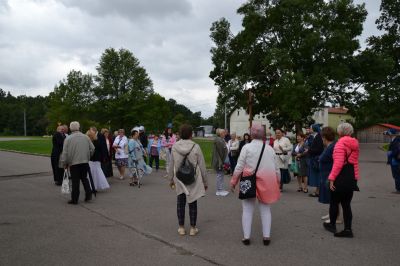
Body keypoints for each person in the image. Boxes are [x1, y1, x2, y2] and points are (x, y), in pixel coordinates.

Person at [230, 124, 281, 246]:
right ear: (263, 134)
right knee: (265, 210)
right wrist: (277, 182)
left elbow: (239, 166)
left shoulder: (246, 148)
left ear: (251, 134)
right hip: (266, 182)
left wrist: (233, 181)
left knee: (247, 210)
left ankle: (246, 237)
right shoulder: (269, 149)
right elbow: (276, 169)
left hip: (249, 182)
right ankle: (266, 237)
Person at [169, 124, 208, 236]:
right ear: (191, 134)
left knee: (180, 203)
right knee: (193, 202)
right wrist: (205, 182)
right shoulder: (196, 147)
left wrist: (170, 178)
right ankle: (192, 228)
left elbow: (171, 164)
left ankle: (181, 228)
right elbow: (202, 166)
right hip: (193, 178)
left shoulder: (175, 146)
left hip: (179, 178)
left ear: (180, 134)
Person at [324, 123, 359, 238]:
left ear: (340, 132)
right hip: (351, 176)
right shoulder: (355, 144)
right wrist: (355, 178)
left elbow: (338, 164)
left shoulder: (340, 144)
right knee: (346, 204)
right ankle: (348, 229)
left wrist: (332, 178)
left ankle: (332, 225)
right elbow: (354, 163)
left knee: (334, 202)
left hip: (340, 176)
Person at [60, 121, 95, 205]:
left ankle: (75, 199)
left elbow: (65, 153)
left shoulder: (68, 139)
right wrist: (88, 157)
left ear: (71, 128)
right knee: (84, 179)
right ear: (78, 127)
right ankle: (88, 195)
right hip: (84, 162)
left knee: (75, 181)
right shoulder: (85, 137)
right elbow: (93, 148)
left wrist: (64, 163)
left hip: (74, 163)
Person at [319, 127, 340, 224]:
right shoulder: (330, 146)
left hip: (329, 174)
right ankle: (331, 213)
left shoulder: (332, 147)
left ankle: (336, 217)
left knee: (333, 197)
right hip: (326, 174)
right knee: (330, 197)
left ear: (324, 137)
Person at [307, 124, 324, 197]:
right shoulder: (316, 136)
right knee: (317, 175)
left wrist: (309, 150)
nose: (309, 129)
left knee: (318, 175)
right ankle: (317, 191)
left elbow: (319, 149)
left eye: (310, 128)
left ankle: (318, 191)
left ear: (314, 129)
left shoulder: (319, 137)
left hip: (316, 159)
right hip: (315, 158)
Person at [212, 128, 229, 196]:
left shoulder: (221, 140)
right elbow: (221, 152)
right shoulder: (219, 140)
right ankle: (219, 190)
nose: (225, 134)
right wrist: (223, 161)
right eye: (223, 133)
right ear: (220, 134)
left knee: (221, 175)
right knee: (220, 175)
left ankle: (221, 189)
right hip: (219, 161)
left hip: (220, 160)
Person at [386, 129, 400, 194]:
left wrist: (391, 153)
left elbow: (397, 150)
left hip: (395, 160)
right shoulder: (394, 139)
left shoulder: (396, 140)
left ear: (392, 134)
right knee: (396, 175)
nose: (388, 135)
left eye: (389, 134)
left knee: (396, 175)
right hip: (394, 159)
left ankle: (398, 189)